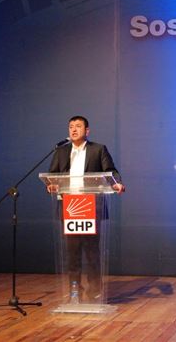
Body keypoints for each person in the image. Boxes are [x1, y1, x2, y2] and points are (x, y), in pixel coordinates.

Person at [47, 116, 125, 303]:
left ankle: (94, 292)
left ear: (87, 131)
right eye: (71, 127)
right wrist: (51, 185)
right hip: (70, 207)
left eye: (78, 126)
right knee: (72, 254)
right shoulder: (61, 151)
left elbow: (111, 171)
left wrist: (117, 183)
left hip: (91, 206)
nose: (74, 130)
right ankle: (75, 291)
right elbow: (52, 175)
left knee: (92, 253)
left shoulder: (98, 149)